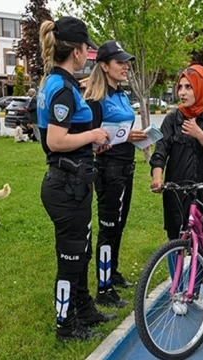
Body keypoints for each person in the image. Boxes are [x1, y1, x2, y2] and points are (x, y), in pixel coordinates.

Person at [36, 16, 115, 341]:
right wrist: (94, 133)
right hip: (65, 186)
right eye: (87, 49)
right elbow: (55, 141)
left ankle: (84, 309)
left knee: (80, 250)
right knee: (71, 258)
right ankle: (65, 326)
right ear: (78, 51)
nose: (88, 55)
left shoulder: (54, 83)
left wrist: (90, 140)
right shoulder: (63, 89)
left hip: (73, 181)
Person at [84, 40, 148, 308]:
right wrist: (122, 138)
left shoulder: (121, 95)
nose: (125, 67)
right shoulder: (96, 99)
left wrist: (138, 138)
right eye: (120, 62)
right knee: (109, 228)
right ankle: (104, 287)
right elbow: (92, 139)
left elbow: (121, 132)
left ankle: (113, 271)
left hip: (127, 166)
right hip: (108, 169)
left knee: (119, 224)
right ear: (104, 66)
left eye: (126, 62)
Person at [149, 64, 203, 244]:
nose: (182, 93)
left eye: (188, 87)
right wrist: (157, 177)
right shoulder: (171, 119)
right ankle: (177, 273)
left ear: (201, 87)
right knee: (175, 239)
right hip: (176, 191)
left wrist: (201, 136)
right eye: (180, 87)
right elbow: (161, 150)